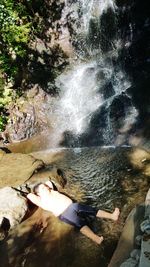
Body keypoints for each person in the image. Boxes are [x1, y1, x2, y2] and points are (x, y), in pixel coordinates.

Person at [27, 181, 120, 245]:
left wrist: (44, 186)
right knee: (80, 224)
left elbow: (48, 182)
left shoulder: (51, 191)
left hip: (74, 206)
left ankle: (112, 216)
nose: (46, 188)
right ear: (38, 194)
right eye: (42, 189)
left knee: (92, 210)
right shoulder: (42, 201)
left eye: (45, 187)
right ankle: (96, 239)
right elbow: (29, 195)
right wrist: (37, 192)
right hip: (64, 213)